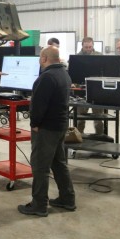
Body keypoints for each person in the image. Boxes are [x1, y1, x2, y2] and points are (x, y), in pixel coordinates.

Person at [17, 46, 75, 217]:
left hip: (46, 128)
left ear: (44, 58)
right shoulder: (64, 74)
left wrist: (34, 123)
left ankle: (39, 204)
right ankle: (68, 198)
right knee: (59, 163)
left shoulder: (46, 77)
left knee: (40, 166)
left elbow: (39, 105)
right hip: (60, 126)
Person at [75, 37, 104, 135]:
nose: (88, 49)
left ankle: (100, 137)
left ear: (93, 45)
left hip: (97, 90)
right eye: (86, 47)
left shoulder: (100, 56)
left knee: (99, 117)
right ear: (82, 46)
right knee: (80, 118)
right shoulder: (76, 57)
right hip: (81, 90)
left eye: (90, 47)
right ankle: (78, 137)